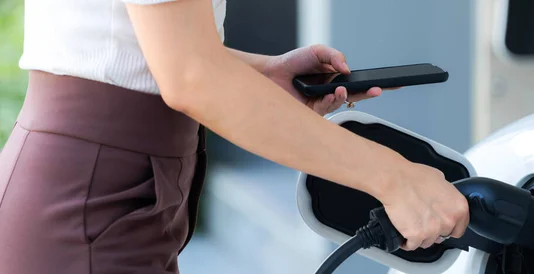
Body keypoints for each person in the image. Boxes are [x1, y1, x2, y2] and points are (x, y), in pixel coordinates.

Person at [0, 0, 469, 273]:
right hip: (87, 201)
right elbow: (191, 77)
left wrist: (256, 77)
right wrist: (395, 179)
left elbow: (152, 48)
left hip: (107, 194)